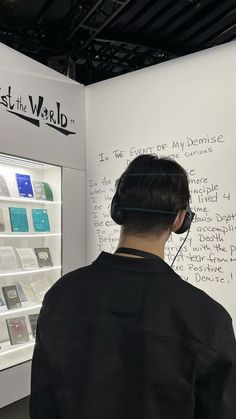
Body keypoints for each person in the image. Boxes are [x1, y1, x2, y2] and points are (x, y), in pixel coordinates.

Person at [30, 154, 236, 419]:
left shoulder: (61, 295)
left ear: (117, 210)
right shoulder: (209, 320)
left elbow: (43, 406)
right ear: (180, 220)